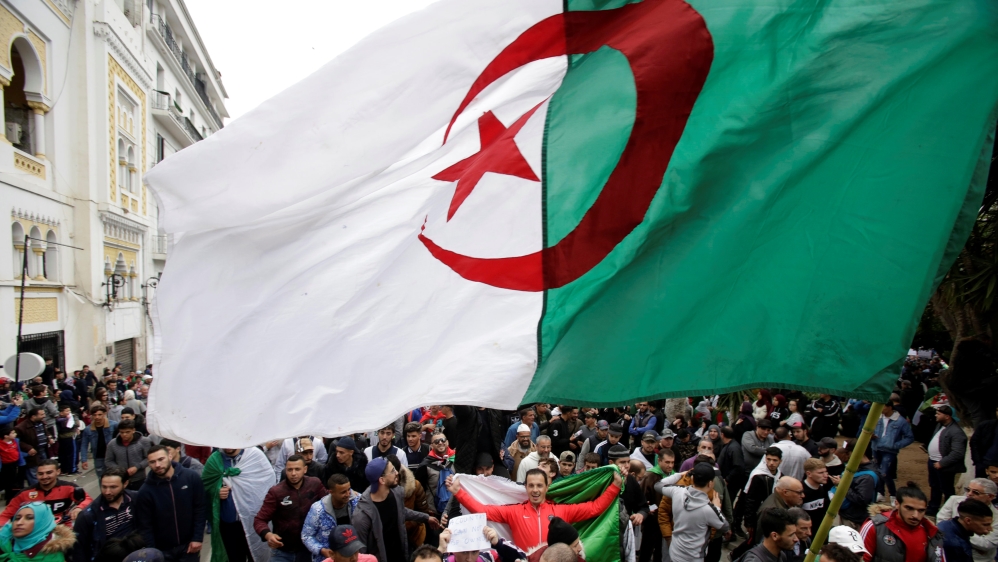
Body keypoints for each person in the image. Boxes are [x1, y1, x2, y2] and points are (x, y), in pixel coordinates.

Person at [448, 467, 621, 552]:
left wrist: (615, 486)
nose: (535, 490)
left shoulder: (562, 511)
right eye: (531, 486)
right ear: (526, 488)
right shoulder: (514, 511)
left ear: (547, 487)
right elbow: (482, 510)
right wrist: (459, 492)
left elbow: (594, 508)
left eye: (539, 485)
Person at [351, 457, 434, 562]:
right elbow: (361, 554)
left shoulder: (395, 493)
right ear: (382, 480)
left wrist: (426, 518)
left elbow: (401, 511)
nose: (397, 473)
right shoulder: (362, 516)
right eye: (392, 471)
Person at [202, 447, 275, 562]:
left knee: (255, 556)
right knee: (234, 558)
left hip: (254, 521)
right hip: (228, 522)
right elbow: (204, 487)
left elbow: (268, 482)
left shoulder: (255, 456)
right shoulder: (215, 460)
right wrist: (216, 492)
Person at [134, 445, 206, 562]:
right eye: (152, 462)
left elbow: (200, 508)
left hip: (188, 547)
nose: (157, 465)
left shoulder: (191, 477)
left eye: (161, 459)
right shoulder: (145, 491)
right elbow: (145, 525)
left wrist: (197, 538)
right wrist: (152, 551)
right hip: (162, 551)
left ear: (170, 456)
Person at [253, 454, 326, 562]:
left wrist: (349, 494)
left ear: (305, 469)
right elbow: (259, 520)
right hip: (282, 551)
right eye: (290, 470)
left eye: (297, 469)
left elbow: (328, 500)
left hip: (308, 550)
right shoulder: (276, 492)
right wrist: (268, 535)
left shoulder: (315, 484)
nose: (293, 473)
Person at [659, 463, 729, 562]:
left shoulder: (677, 492)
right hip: (693, 557)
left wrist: (678, 475)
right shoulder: (709, 510)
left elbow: (658, 485)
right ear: (710, 484)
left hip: (675, 552)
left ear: (692, 479)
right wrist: (717, 507)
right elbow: (724, 526)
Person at [859, 482, 943, 562]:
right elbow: (859, 558)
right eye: (909, 508)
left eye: (921, 510)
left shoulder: (932, 533)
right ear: (897, 504)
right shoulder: (875, 526)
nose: (915, 515)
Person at [72, 467, 137, 562]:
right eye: (104, 487)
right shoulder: (88, 515)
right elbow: (79, 549)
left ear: (125, 484)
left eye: (113, 487)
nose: (107, 492)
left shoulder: (136, 499)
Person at [0, 460, 91, 527]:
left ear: (58, 472)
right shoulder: (25, 493)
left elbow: (88, 499)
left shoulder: (69, 487)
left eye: (49, 473)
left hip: (62, 529)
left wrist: (79, 508)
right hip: (34, 531)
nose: (44, 477)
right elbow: (6, 514)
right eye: (40, 474)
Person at [302, 474, 361, 562]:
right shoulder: (318, 510)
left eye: (349, 490)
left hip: (353, 557)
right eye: (343, 492)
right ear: (331, 492)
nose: (348, 494)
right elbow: (306, 536)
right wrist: (321, 550)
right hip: (326, 558)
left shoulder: (357, 501)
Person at [936, 479, 998, 562]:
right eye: (968, 490)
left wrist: (961, 530)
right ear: (968, 520)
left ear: (990, 496)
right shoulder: (954, 500)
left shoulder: (996, 516)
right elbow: (941, 524)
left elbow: (987, 544)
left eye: (975, 492)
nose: (969, 494)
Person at [0, 502, 75, 562]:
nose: (19, 522)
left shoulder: (52, 555)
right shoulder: (4, 542)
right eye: (17, 518)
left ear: (42, 523)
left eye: (29, 518)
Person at [928, 405, 968, 515]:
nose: (936, 415)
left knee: (946, 489)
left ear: (947, 416)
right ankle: (933, 508)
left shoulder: (956, 432)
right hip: (933, 461)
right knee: (934, 486)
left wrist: (942, 463)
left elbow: (957, 452)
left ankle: (948, 511)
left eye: (939, 414)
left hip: (944, 465)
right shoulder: (939, 426)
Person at [871, 402, 914, 501]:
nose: (881, 409)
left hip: (889, 450)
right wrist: (871, 436)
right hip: (876, 447)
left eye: (883, 407)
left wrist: (896, 445)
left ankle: (893, 495)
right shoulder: (878, 418)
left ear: (889, 407)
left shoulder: (900, 421)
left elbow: (910, 437)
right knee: (877, 472)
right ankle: (880, 493)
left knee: (885, 473)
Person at [741, 447, 784, 539]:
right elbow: (750, 500)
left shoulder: (781, 476)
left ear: (780, 461)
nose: (771, 463)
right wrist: (749, 522)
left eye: (775, 460)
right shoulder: (758, 476)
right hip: (760, 514)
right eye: (769, 459)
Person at [839, 442, 882, 529]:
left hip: (855, 521)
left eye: (847, 453)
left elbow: (861, 499)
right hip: (848, 515)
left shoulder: (867, 477)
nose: (845, 456)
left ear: (858, 453)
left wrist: (842, 486)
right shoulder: (856, 467)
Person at [103, 419, 151, 491]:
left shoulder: (144, 441)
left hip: (139, 479)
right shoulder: (112, 444)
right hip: (121, 479)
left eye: (127, 432)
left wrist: (137, 467)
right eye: (122, 432)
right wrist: (120, 470)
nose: (124, 435)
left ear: (133, 430)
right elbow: (108, 461)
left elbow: (149, 458)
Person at [416, 431, 456, 517]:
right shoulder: (425, 465)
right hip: (435, 511)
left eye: (443, 440)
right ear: (431, 446)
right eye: (436, 441)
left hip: (456, 508)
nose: (440, 442)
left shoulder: (457, 460)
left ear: (447, 442)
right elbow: (420, 489)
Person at [437, 525, 526, 562]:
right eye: (464, 552)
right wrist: (440, 551)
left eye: (474, 552)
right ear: (454, 550)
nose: (469, 559)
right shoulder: (443, 560)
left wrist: (498, 544)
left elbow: (524, 558)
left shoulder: (489, 558)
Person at [16, 408, 54, 486]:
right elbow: (17, 441)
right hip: (32, 455)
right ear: (33, 416)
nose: (44, 416)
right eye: (41, 414)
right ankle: (36, 491)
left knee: (45, 469)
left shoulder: (41, 423)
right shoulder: (21, 427)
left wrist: (49, 437)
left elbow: (45, 432)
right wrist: (28, 448)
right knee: (34, 473)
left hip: (43, 450)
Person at [80, 404, 117, 478]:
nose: (97, 417)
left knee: (115, 477)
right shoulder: (88, 429)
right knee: (101, 478)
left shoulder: (114, 425)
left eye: (100, 414)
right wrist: (84, 460)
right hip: (98, 457)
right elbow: (84, 445)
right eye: (95, 415)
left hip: (113, 457)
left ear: (104, 414)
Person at [801, 458, 836, 526]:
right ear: (809, 474)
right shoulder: (800, 490)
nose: (826, 475)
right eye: (821, 473)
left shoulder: (823, 489)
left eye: (826, 472)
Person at [718, 426, 747, 497]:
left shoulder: (734, 447)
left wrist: (728, 479)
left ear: (722, 434)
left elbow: (739, 466)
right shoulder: (729, 445)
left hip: (731, 484)